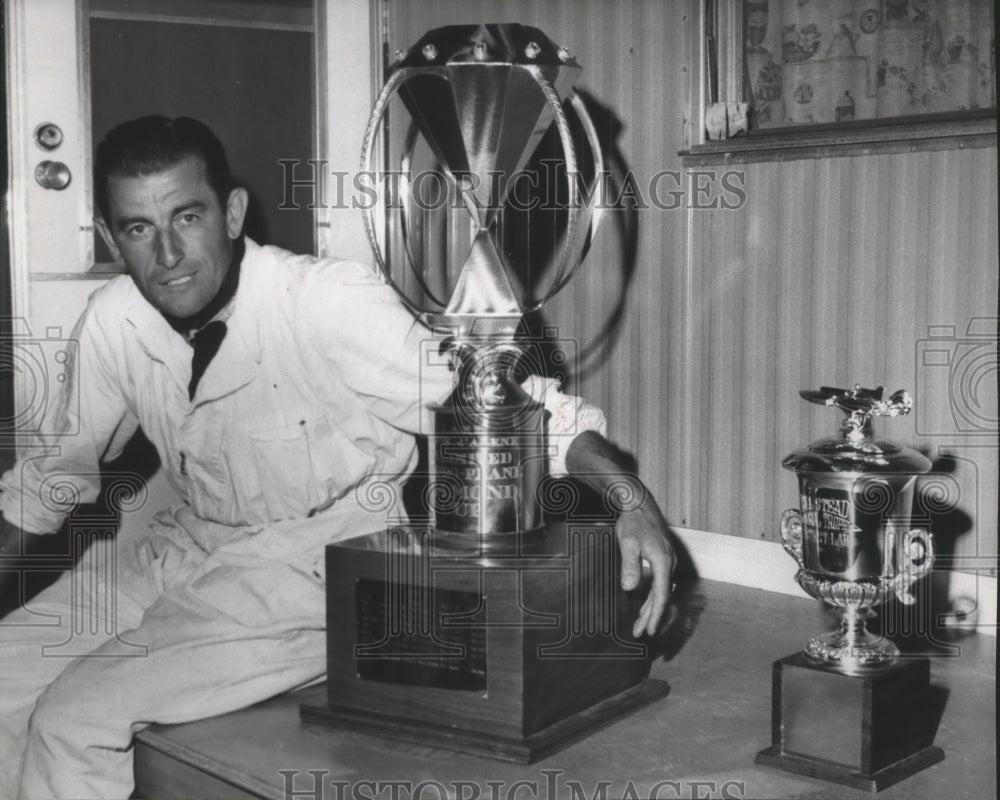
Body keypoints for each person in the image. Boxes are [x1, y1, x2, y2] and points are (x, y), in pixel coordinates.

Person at [0, 116, 675, 799]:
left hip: (313, 567)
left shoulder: (326, 301)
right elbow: (51, 481)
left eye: (187, 216)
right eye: (140, 228)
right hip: (186, 545)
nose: (168, 254)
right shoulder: (113, 320)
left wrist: (630, 500)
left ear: (232, 214)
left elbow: (502, 401)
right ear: (113, 239)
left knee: (74, 718)